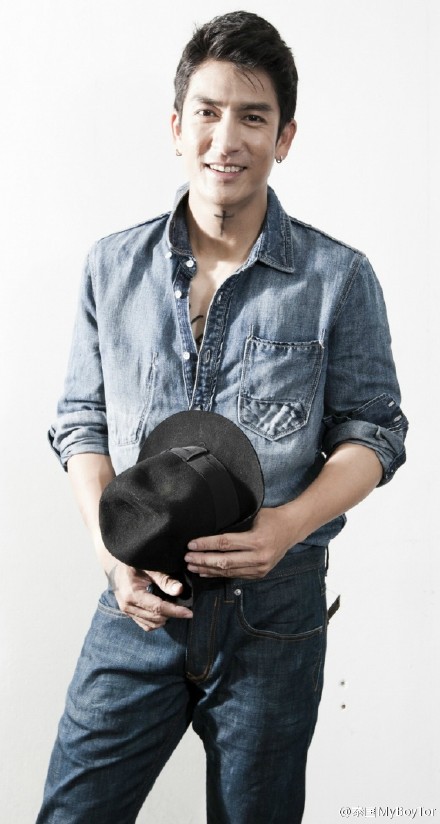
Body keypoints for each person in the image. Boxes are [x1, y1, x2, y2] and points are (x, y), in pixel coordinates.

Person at [36, 10, 408, 824]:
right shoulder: (111, 266)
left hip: (273, 614)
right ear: (176, 126)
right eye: (207, 112)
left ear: (285, 137)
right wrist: (111, 554)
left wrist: (286, 525)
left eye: (253, 117)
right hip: (138, 601)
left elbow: (374, 432)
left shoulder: (338, 278)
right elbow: (82, 422)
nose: (226, 139)